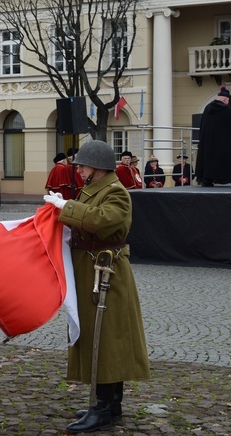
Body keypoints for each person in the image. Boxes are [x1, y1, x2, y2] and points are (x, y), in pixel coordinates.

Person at [42, 140, 150, 433]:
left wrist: (67, 206)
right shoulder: (98, 189)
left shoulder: (116, 193)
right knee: (104, 338)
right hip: (95, 271)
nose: (79, 170)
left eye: (83, 165)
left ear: (98, 168)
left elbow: (102, 221)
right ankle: (111, 405)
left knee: (106, 340)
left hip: (106, 274)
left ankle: (102, 408)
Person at [196, 87, 231, 187]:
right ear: (226, 100)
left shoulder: (207, 108)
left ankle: (207, 180)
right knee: (229, 157)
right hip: (223, 143)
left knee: (208, 160)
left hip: (209, 142)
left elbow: (203, 125)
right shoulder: (225, 109)